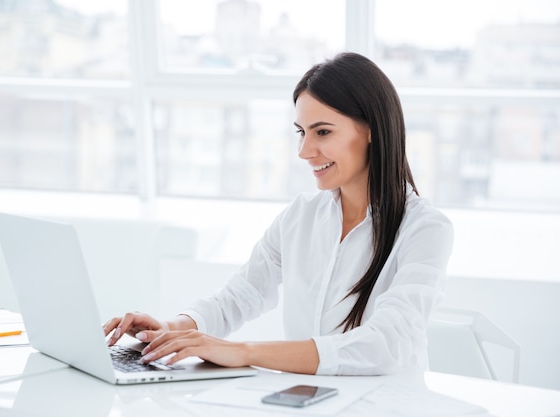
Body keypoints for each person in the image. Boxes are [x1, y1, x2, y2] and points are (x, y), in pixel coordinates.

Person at [103, 52, 454, 376]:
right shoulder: (300, 216)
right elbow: (238, 297)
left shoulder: (425, 229)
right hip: (308, 401)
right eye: (302, 132)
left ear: (372, 130)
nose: (304, 151)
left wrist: (242, 352)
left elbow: (384, 346)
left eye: (323, 132)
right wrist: (171, 329)